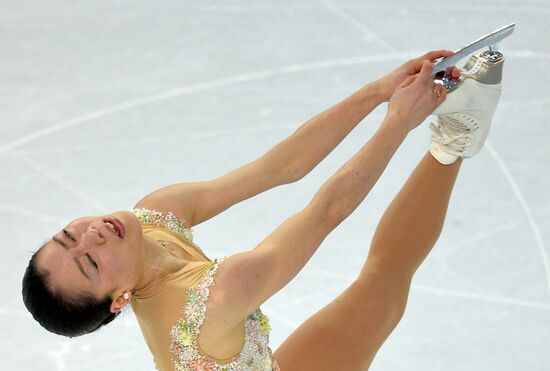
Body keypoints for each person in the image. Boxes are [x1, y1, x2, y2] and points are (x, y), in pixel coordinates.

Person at [22, 48, 503, 370]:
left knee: (383, 285)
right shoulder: (214, 300)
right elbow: (325, 212)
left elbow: (280, 167)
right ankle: (452, 143)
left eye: (68, 236)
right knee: (384, 280)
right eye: (88, 262)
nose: (90, 237)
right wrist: (398, 120)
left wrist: (379, 92)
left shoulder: (153, 215)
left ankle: (454, 139)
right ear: (120, 299)